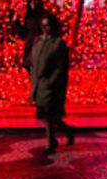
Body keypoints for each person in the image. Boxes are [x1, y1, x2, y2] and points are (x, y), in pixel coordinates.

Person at [30, 13, 74, 154]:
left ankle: (51, 143)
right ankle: (66, 131)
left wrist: (52, 81)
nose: (44, 28)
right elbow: (33, 63)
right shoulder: (38, 43)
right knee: (50, 115)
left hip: (51, 85)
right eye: (43, 25)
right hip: (39, 83)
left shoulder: (58, 44)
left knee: (48, 114)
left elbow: (61, 66)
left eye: (47, 25)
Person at [13, 0, 47, 79]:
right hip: (31, 46)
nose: (34, 4)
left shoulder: (44, 15)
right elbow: (23, 33)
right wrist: (16, 22)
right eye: (32, 1)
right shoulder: (28, 16)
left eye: (36, 1)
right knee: (32, 70)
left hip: (42, 46)